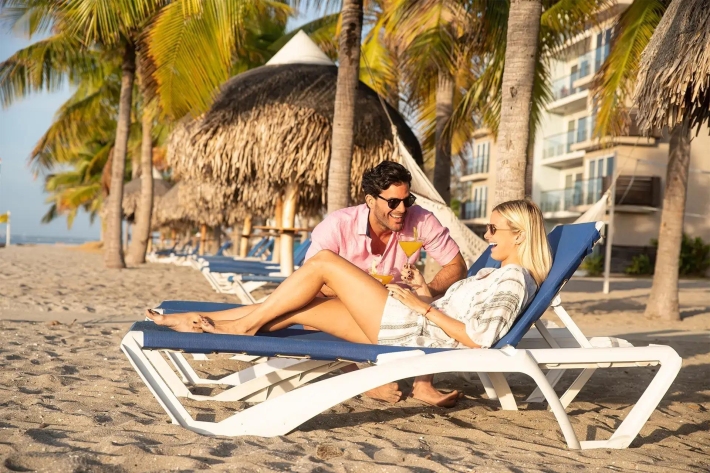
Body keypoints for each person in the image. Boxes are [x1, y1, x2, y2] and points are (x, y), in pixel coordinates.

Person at [147, 199, 552, 401]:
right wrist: (424, 291)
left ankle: (239, 328)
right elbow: (460, 313)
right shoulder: (495, 274)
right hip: (411, 321)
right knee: (300, 307)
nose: (487, 235)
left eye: (494, 229)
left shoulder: (514, 279)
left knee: (324, 262)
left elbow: (479, 338)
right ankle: (204, 320)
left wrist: (422, 307)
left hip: (410, 328)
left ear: (519, 235)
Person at [303, 161, 468, 406]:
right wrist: (357, 294)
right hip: (344, 306)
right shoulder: (338, 225)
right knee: (313, 311)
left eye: (407, 200)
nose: (402, 209)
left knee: (431, 303)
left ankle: (423, 385)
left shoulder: (421, 220)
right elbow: (310, 279)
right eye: (393, 202)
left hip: (399, 309)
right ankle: (363, 380)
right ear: (371, 201)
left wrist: (424, 294)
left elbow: (457, 266)